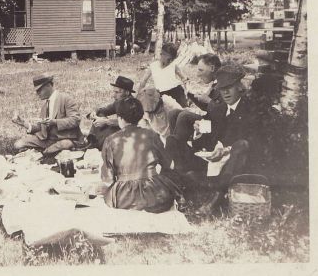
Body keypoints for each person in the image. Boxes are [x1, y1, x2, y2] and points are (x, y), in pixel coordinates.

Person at [184, 64, 256, 215]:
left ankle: (215, 200)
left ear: (239, 87)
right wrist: (198, 133)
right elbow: (203, 142)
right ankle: (197, 191)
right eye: (222, 89)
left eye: (229, 87)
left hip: (238, 165)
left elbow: (251, 142)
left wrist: (226, 150)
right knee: (188, 172)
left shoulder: (250, 109)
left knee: (241, 145)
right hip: (215, 163)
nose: (225, 93)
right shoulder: (217, 109)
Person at [100, 97, 183, 213]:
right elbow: (169, 164)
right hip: (155, 194)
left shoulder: (111, 140)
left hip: (124, 198)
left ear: (120, 118)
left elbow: (107, 177)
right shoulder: (152, 135)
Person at [165, 53, 223, 171]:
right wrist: (191, 95)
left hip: (216, 127)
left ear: (212, 68)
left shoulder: (224, 83)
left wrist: (209, 101)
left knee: (184, 116)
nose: (197, 74)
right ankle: (176, 152)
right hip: (210, 122)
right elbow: (208, 107)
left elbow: (224, 110)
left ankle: (179, 160)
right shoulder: (215, 83)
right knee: (174, 113)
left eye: (201, 70)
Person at [13, 73, 83, 156]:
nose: (37, 93)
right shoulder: (45, 106)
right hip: (47, 140)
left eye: (39, 90)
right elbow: (41, 127)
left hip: (66, 138)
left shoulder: (66, 99)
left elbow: (75, 120)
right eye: (36, 91)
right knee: (18, 145)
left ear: (48, 86)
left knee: (64, 144)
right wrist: (24, 124)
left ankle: (45, 153)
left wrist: (54, 122)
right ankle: (46, 152)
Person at [85, 76, 135, 150]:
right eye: (114, 91)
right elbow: (104, 110)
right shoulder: (119, 101)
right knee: (99, 114)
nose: (113, 95)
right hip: (118, 131)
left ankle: (96, 144)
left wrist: (106, 121)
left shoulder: (133, 104)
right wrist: (94, 112)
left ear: (127, 92)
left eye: (117, 92)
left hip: (129, 135)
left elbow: (127, 123)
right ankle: (92, 142)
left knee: (105, 130)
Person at [137, 42, 188, 107]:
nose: (170, 61)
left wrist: (187, 91)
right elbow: (143, 81)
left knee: (182, 110)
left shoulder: (173, 66)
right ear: (162, 54)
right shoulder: (153, 66)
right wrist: (139, 96)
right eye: (168, 59)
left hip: (176, 91)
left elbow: (184, 78)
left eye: (172, 59)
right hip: (161, 93)